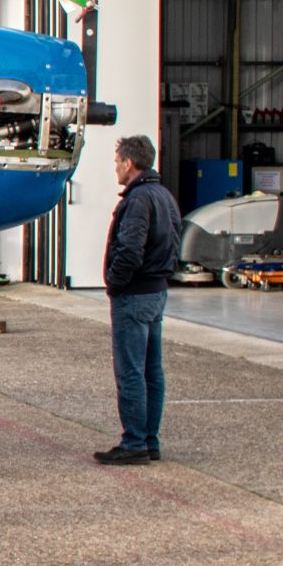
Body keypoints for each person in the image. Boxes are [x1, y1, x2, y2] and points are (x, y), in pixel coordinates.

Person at [96, 135, 180, 465]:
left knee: (130, 372)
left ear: (129, 163)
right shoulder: (164, 195)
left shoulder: (139, 199)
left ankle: (133, 442)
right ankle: (150, 440)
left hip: (135, 294)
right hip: (157, 292)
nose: (115, 168)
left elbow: (131, 249)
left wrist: (114, 283)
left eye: (117, 162)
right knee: (151, 371)